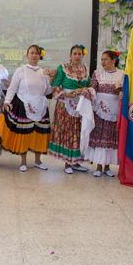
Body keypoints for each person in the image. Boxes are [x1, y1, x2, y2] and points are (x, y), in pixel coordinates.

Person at [0, 44, 54, 172]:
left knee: (39, 133)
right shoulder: (20, 70)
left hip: (40, 106)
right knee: (24, 133)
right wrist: (7, 101)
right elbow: (12, 88)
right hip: (24, 104)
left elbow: (48, 91)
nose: (34, 55)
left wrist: (51, 78)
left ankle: (38, 161)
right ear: (27, 55)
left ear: (40, 56)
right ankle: (23, 162)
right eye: (31, 53)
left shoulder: (43, 72)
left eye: (36, 53)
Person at [48, 45, 92, 174]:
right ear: (70, 55)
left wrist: (85, 91)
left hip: (80, 104)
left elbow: (88, 85)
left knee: (78, 132)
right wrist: (65, 94)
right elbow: (55, 86)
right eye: (74, 54)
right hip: (65, 104)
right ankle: (67, 163)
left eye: (79, 54)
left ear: (82, 56)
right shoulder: (63, 68)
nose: (77, 56)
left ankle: (76, 162)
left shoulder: (85, 69)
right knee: (68, 132)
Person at [85, 50, 124, 177]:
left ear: (114, 60)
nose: (103, 62)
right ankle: (98, 166)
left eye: (106, 59)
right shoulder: (97, 73)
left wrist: (122, 92)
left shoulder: (122, 74)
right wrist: (87, 91)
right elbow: (93, 88)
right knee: (100, 137)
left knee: (110, 137)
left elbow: (126, 92)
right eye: (102, 59)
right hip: (100, 111)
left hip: (114, 110)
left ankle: (107, 167)